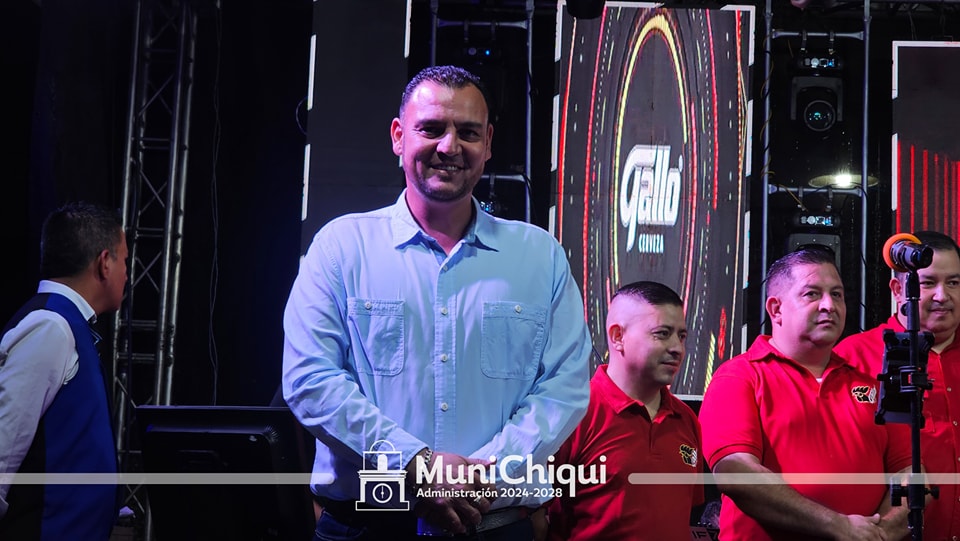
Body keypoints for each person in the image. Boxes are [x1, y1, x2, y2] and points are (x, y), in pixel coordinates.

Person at [281, 65, 592, 541]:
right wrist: (415, 464)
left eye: (468, 132)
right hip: (369, 526)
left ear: (488, 143)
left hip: (497, 524)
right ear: (398, 136)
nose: (450, 146)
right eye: (431, 129)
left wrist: (485, 473)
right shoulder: (341, 248)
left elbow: (563, 388)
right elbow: (310, 380)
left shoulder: (540, 256)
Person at [699, 246, 915, 541]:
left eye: (837, 294)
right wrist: (839, 527)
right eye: (812, 294)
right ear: (776, 309)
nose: (829, 305)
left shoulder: (872, 384)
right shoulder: (738, 377)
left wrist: (881, 533)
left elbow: (911, 471)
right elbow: (736, 474)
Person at [0, 202, 126, 540]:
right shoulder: (50, 326)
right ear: (104, 263)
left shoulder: (68, 325)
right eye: (125, 261)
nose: (127, 274)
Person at [545, 281, 703, 540]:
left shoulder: (686, 419)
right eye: (663, 333)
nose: (677, 348)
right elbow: (536, 515)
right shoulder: (573, 414)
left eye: (681, 336)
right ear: (618, 337)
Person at [835, 230, 960, 540]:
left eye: (954, 283)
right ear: (897, 289)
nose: (942, 296)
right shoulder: (853, 358)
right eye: (928, 283)